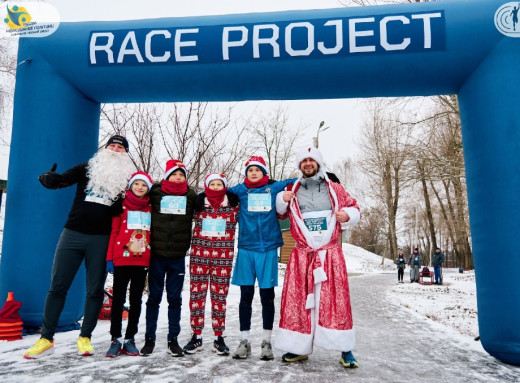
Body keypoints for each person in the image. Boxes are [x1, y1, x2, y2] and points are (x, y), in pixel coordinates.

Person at [24, 135, 134, 359]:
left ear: (126, 154)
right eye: (112, 145)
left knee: (94, 290)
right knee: (57, 286)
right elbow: (61, 180)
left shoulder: (128, 179)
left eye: (120, 147)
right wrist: (48, 179)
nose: (115, 149)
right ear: (104, 149)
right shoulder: (87, 168)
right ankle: (46, 338)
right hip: (72, 233)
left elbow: (143, 197)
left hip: (101, 239)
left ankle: (85, 337)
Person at [274, 146, 361, 368]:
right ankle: (298, 348)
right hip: (303, 254)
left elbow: (354, 206)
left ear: (319, 163)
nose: (308, 164)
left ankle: (345, 349)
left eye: (312, 160)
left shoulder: (334, 188)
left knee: (336, 300)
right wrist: (281, 199)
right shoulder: (291, 188)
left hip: (329, 254)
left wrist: (347, 215)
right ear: (299, 165)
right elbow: (280, 212)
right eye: (304, 161)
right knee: (299, 300)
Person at [227, 156, 296, 361]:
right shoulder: (240, 190)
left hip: (267, 249)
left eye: (258, 170)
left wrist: (279, 184)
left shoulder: (272, 188)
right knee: (245, 297)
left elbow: (295, 182)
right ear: (246, 174)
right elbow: (220, 191)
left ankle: (266, 342)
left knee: (267, 297)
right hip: (246, 249)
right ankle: (244, 341)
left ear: (264, 173)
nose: (254, 173)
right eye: (250, 170)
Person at [140, 160, 196, 357]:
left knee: (175, 298)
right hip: (157, 254)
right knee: (154, 297)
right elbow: (136, 192)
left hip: (178, 255)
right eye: (174, 174)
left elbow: (210, 201)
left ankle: (173, 339)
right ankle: (149, 339)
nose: (178, 177)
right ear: (167, 175)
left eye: (181, 174)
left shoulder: (190, 195)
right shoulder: (155, 192)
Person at [183, 173, 239, 356]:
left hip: (223, 258)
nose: (215, 187)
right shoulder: (198, 204)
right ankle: (196, 335)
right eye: (212, 184)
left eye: (219, 184)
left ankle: (218, 337)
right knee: (197, 295)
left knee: (219, 297)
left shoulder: (233, 205)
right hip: (199, 256)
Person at [105, 171, 153, 357]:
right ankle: (115, 338)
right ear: (131, 186)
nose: (139, 187)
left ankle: (129, 338)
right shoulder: (121, 206)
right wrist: (110, 258)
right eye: (136, 184)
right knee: (118, 300)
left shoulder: (150, 208)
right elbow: (114, 232)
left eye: (143, 185)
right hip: (121, 259)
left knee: (136, 300)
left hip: (142, 261)